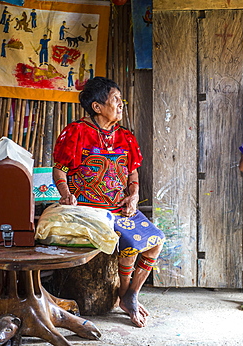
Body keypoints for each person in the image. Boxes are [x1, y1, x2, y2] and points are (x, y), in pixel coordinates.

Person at [52, 76, 165, 328]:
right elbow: (59, 170)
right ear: (97, 107)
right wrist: (64, 192)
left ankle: (129, 294)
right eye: (115, 99)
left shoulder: (125, 136)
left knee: (156, 242)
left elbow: (133, 172)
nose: (121, 104)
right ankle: (127, 297)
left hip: (120, 208)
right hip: (89, 210)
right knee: (130, 243)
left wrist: (133, 196)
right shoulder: (76, 132)